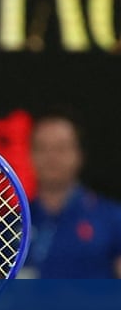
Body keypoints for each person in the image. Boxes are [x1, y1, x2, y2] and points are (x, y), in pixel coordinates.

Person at [22, 111, 121, 279]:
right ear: (30, 155)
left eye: (61, 148)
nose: (51, 157)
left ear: (79, 154)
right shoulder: (11, 223)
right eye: (42, 148)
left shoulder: (112, 219)